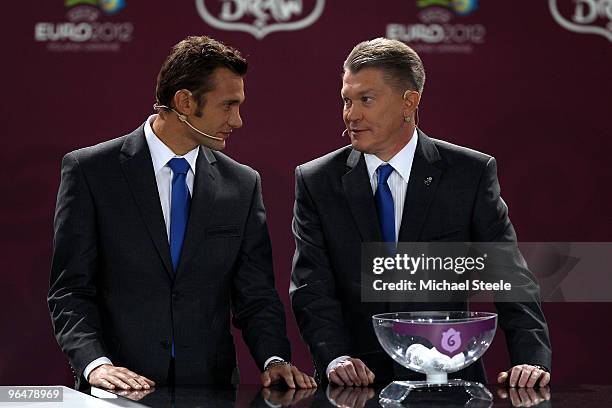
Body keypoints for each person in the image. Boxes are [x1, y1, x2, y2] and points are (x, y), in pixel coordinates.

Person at [48, 35, 315, 391]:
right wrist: (96, 365)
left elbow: (257, 295)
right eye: (228, 105)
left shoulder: (242, 184)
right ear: (185, 102)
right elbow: (70, 290)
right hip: (115, 389)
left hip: (210, 388)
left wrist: (274, 359)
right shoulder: (91, 171)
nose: (237, 121)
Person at [289, 38, 551, 388]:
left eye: (366, 99)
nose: (352, 114)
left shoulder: (468, 174)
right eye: (347, 100)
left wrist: (529, 359)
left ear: (409, 102)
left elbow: (509, 275)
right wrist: (335, 356)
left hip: (449, 376)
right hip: (355, 385)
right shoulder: (317, 180)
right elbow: (312, 286)